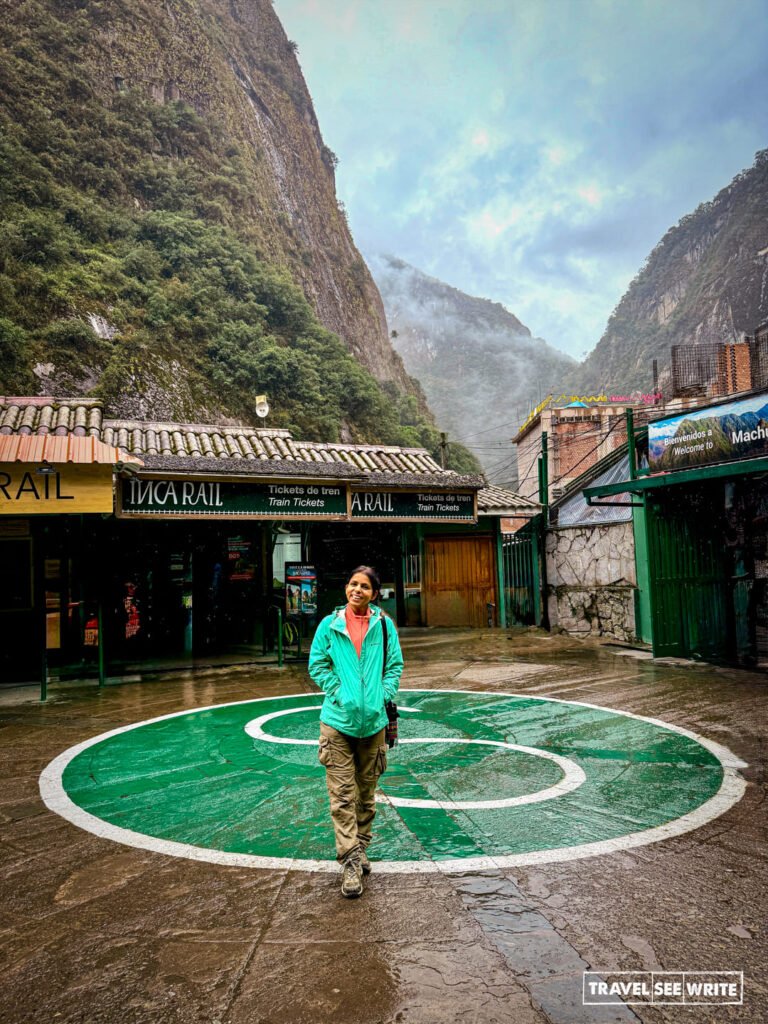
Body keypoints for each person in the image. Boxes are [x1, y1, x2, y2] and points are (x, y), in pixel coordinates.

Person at [308, 565, 403, 898]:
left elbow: (395, 666)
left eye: (364, 586)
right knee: (342, 797)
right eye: (352, 584)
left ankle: (361, 847)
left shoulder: (384, 626)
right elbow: (316, 664)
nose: (356, 590)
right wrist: (338, 692)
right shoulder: (330, 625)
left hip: (374, 724)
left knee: (366, 794)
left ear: (374, 593)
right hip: (337, 724)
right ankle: (349, 860)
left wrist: (382, 695)